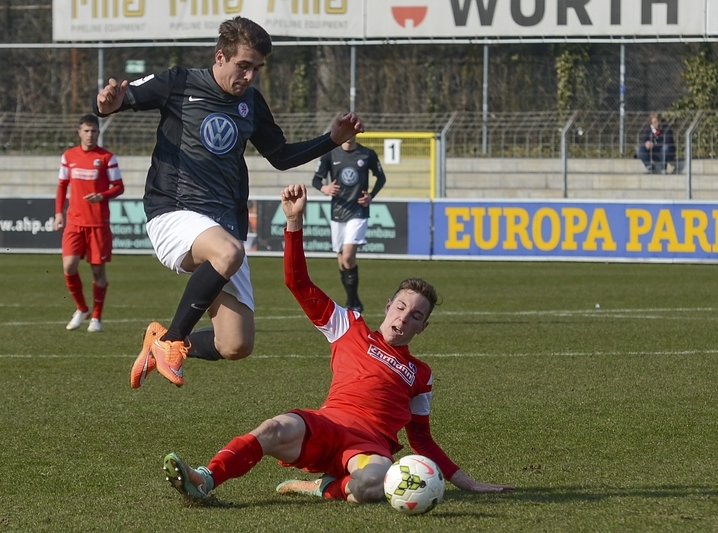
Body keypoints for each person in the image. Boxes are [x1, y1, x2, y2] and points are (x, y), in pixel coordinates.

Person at [160, 183, 513, 505]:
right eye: (401, 307)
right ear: (388, 307)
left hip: (368, 447)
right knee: (272, 429)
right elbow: (298, 283)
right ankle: (205, 479)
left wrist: (467, 482)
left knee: (372, 487)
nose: (405, 318)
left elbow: (421, 441)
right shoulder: (349, 326)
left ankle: (325, 487)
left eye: (416, 316)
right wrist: (294, 223)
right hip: (325, 426)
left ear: (423, 327)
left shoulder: (421, 374)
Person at [93, 17, 363, 388]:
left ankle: (161, 339)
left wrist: (331, 139)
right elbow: (117, 100)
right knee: (228, 252)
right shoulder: (179, 82)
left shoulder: (251, 102)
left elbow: (280, 156)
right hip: (173, 211)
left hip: (223, 225)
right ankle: (172, 341)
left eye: (257, 69)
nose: (250, 76)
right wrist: (106, 105)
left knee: (236, 344)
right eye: (243, 65)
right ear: (220, 57)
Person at [55, 113, 125, 332]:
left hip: (97, 223)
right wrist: (58, 214)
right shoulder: (69, 156)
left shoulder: (107, 158)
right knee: (69, 266)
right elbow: (62, 186)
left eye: (94, 131)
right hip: (74, 222)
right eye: (86, 131)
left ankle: (96, 317)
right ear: (79, 132)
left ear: (98, 132)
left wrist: (102, 195)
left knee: (98, 273)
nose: (90, 135)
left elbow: (119, 187)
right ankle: (82, 308)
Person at [312, 134, 386, 313]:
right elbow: (316, 180)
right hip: (337, 212)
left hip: (358, 212)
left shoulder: (367, 154)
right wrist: (325, 188)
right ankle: (351, 301)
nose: (348, 135)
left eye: (351, 131)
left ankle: (354, 300)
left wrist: (371, 195)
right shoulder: (330, 154)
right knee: (341, 260)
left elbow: (381, 177)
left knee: (347, 257)